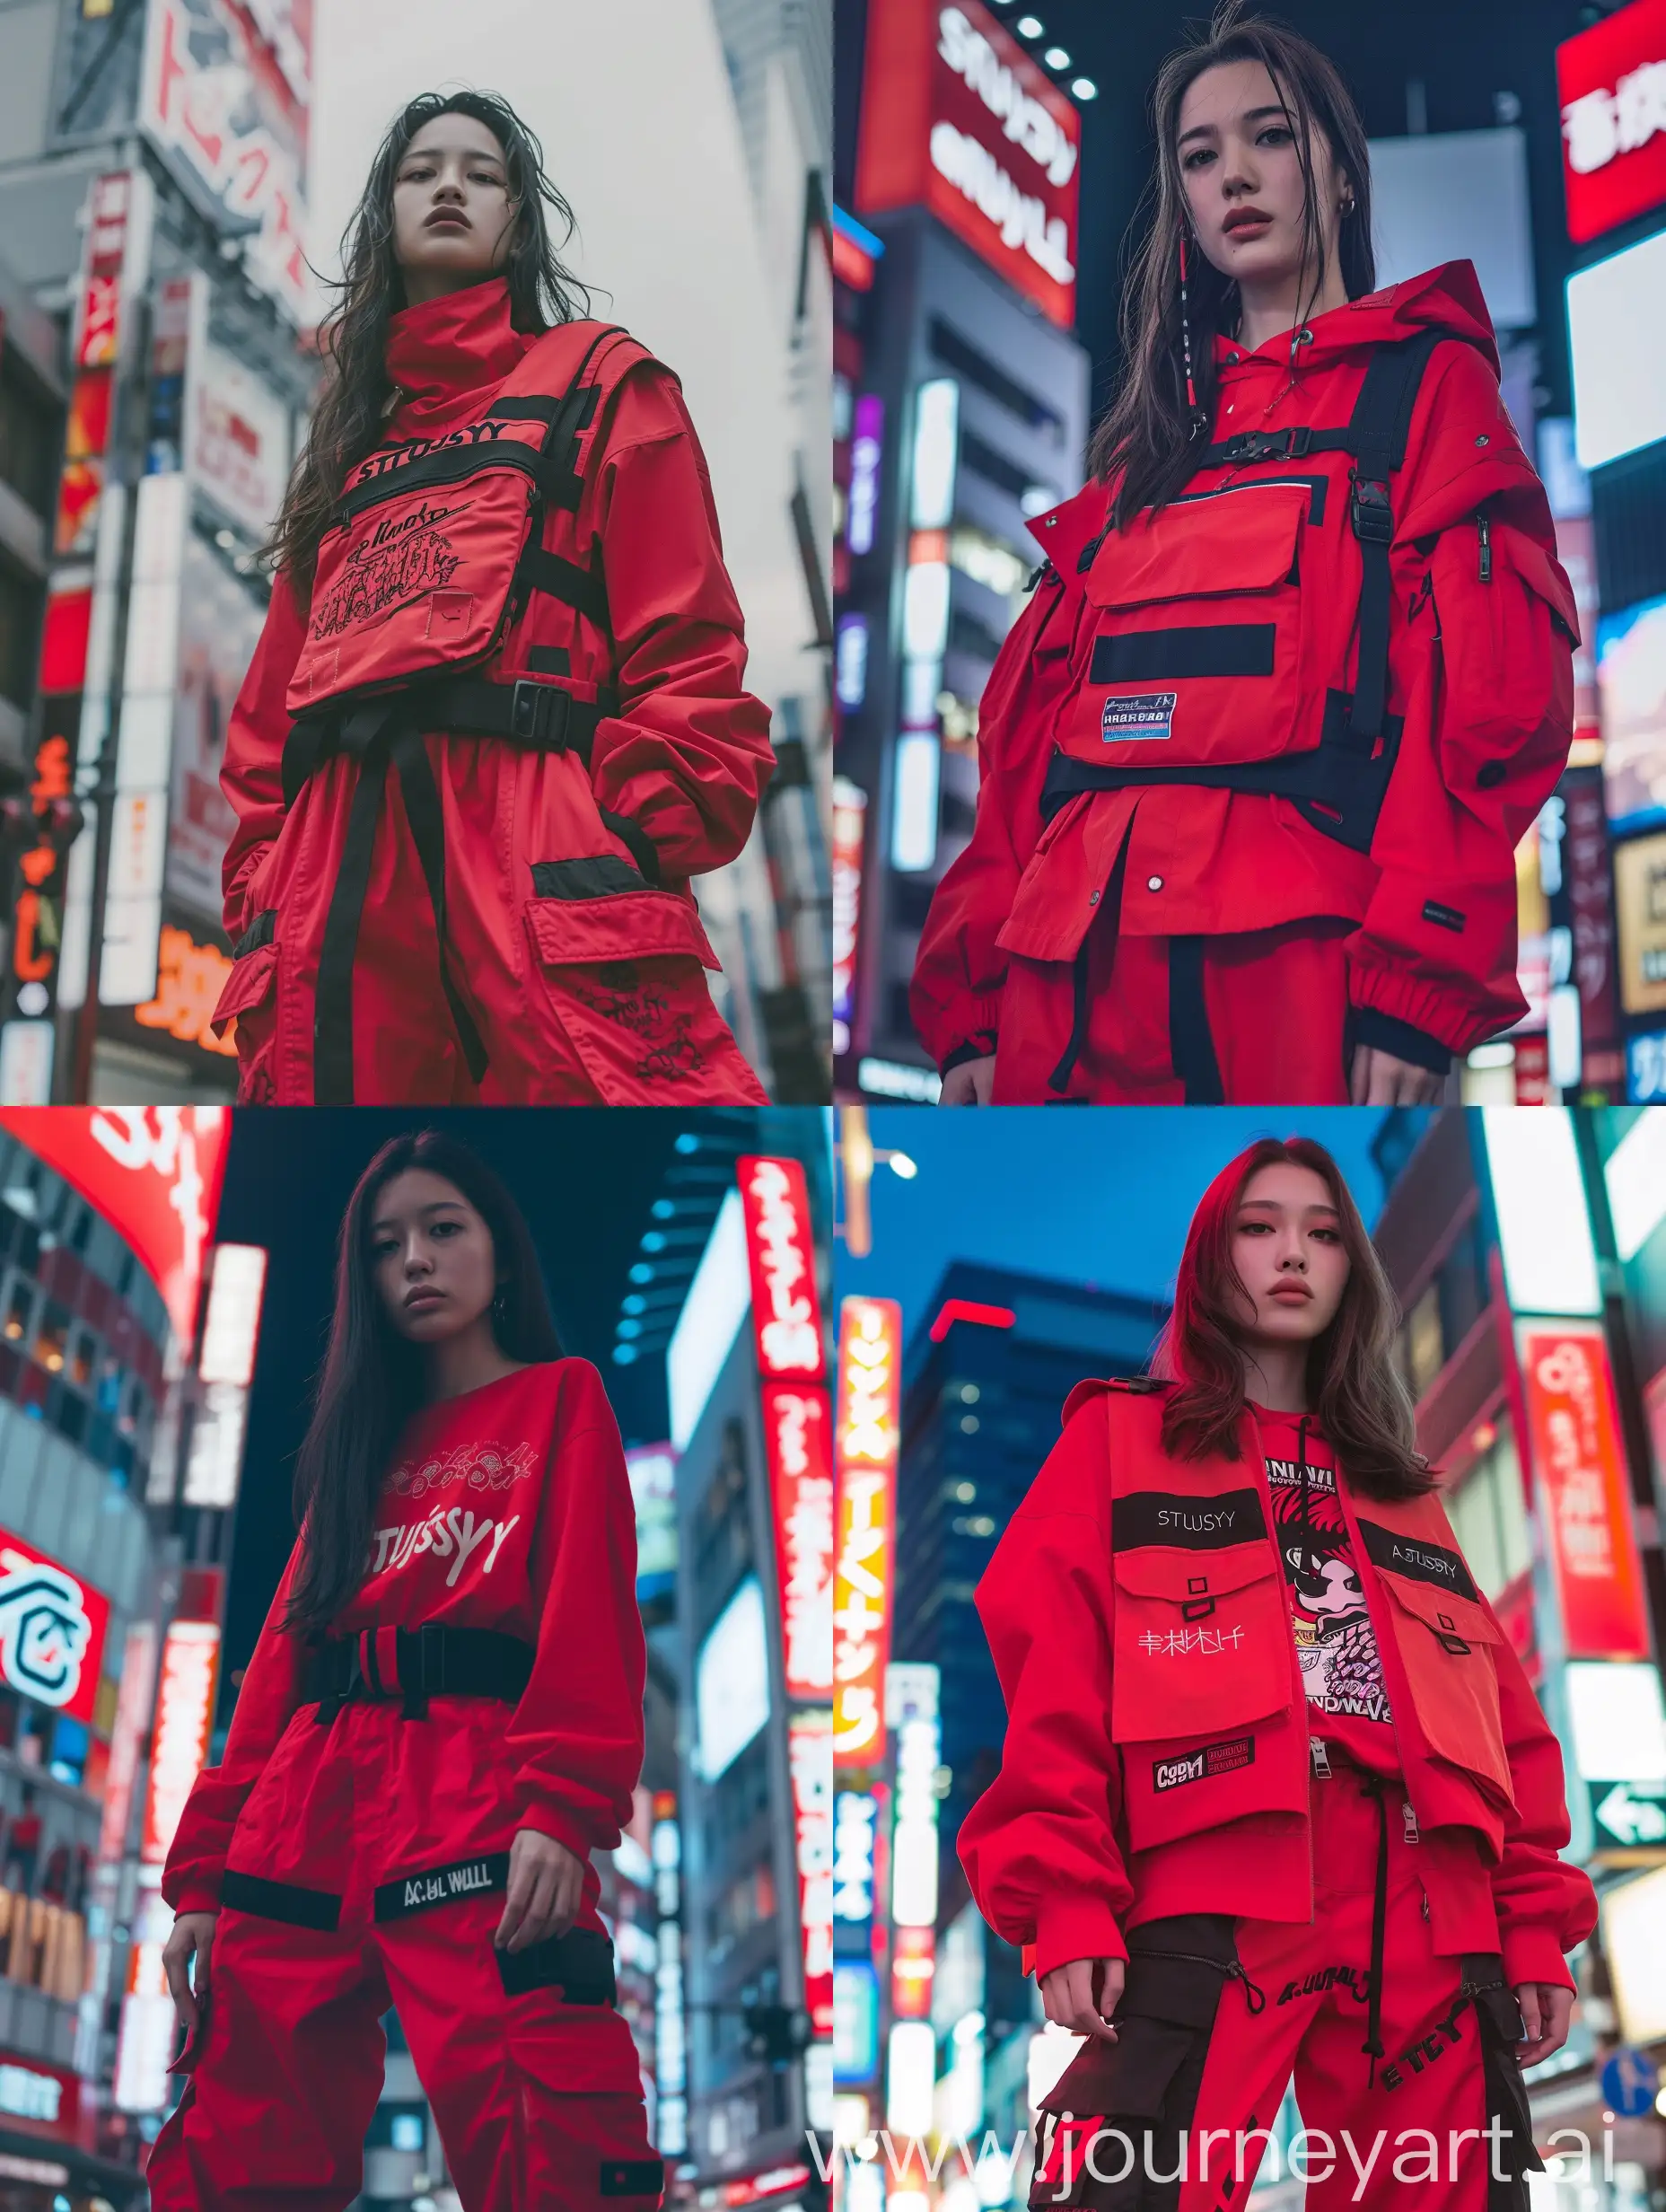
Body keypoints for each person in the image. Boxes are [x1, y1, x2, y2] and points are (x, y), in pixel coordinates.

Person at [912, 3, 1578, 1108]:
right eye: (1198, 154)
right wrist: (967, 1006)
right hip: (1060, 994)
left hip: (1286, 978)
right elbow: (1023, 747)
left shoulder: (1421, 391)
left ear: (1341, 170)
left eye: (1270, 136)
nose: (1235, 176)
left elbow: (1488, 701)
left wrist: (1418, 984)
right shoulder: (1141, 451)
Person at [960, 1137, 1596, 2211]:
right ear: (1212, 1260)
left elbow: (1499, 1723)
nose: (1290, 1254)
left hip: (1429, 1900)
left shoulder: (1400, 1489)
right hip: (1216, 1881)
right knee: (1120, 2192)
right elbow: (1054, 1678)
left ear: (1353, 1270)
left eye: (1321, 1232)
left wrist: (1527, 1919)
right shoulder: (1118, 1441)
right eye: (1258, 1228)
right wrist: (1064, 1897)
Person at [211, 90, 775, 1108]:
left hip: (540, 864)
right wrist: (264, 894)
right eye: (421, 170)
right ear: (385, 211)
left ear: (518, 218)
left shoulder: (602, 381)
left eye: (482, 172)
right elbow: (267, 730)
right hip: (337, 903)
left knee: (623, 1161)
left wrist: (626, 837)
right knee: (349, 1176)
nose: (450, 187)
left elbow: (688, 649)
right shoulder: (342, 463)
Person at [151, 1130, 663, 2211]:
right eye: (387, 1246)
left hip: (474, 1790)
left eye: (442, 1229)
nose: (415, 1262)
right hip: (303, 1802)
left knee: (548, 2133)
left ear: (501, 1256)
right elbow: (274, 1676)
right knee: (237, 2141)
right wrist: (203, 1872)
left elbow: (588, 1612)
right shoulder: (355, 1449)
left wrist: (562, 1809)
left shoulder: (560, 1399)